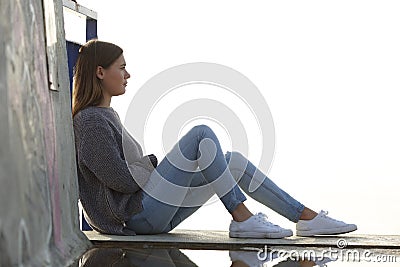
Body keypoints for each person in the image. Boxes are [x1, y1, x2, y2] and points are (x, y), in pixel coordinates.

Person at [72, 39, 357, 238]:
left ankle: (305, 217)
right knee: (201, 134)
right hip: (132, 217)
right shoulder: (91, 120)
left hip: (147, 214)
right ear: (100, 72)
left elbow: (126, 175)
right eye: (121, 68)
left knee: (231, 162)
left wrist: (153, 169)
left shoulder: (105, 115)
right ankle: (241, 216)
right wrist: (154, 163)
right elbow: (121, 179)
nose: (128, 74)